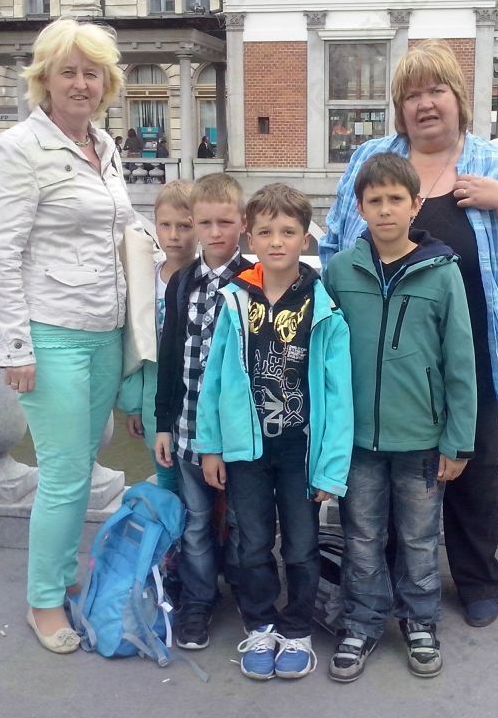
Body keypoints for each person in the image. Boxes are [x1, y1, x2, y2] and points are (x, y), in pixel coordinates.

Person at [319, 39, 498, 630]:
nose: (425, 104)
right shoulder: (372, 159)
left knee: (474, 468)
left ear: (458, 99)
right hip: (382, 359)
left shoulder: (493, 164)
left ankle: (477, 577)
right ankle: (381, 578)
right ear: (399, 108)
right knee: (381, 465)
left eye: (436, 91)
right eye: (412, 95)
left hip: (472, 351)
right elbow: (335, 244)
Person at [0, 17, 135, 655]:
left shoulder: (105, 144)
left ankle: (64, 572)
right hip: (53, 334)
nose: (80, 83)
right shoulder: (19, 148)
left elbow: (122, 230)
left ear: (107, 83)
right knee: (66, 474)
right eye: (67, 72)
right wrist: (15, 349)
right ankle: (44, 600)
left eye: (91, 73)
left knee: (81, 464)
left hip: (105, 330)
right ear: (43, 79)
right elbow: (1, 255)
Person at [324, 153, 477, 681]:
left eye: (396, 199)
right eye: (375, 200)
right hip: (357, 440)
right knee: (361, 536)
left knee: (418, 537)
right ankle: (361, 622)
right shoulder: (340, 271)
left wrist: (458, 439)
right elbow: (322, 356)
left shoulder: (442, 272)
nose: (385, 210)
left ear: (415, 205)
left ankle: (420, 621)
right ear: (360, 207)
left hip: (421, 438)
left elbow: (460, 359)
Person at [195, 183, 353, 681]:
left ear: (305, 239)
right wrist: (211, 446)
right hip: (247, 448)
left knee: (302, 545)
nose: (277, 241)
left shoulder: (324, 307)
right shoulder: (235, 300)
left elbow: (339, 395)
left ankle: (298, 628)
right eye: (265, 232)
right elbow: (214, 378)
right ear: (250, 237)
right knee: (253, 542)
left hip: (300, 451)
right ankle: (261, 623)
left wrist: (331, 468)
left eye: (287, 231)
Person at [154, 173, 254, 650]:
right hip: (189, 425)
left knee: (242, 519)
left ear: (243, 223)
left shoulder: (256, 282)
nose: (215, 233)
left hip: (238, 431)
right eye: (206, 223)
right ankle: (198, 599)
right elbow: (170, 356)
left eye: (225, 222)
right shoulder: (182, 283)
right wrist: (163, 423)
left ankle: (248, 591)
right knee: (195, 520)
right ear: (194, 223)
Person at [119, 179, 196, 495]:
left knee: (199, 488)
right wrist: (132, 405)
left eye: (184, 226)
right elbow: (133, 343)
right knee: (166, 480)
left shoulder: (207, 280)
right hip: (154, 400)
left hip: (195, 403)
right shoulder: (145, 280)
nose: (174, 235)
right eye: (165, 225)